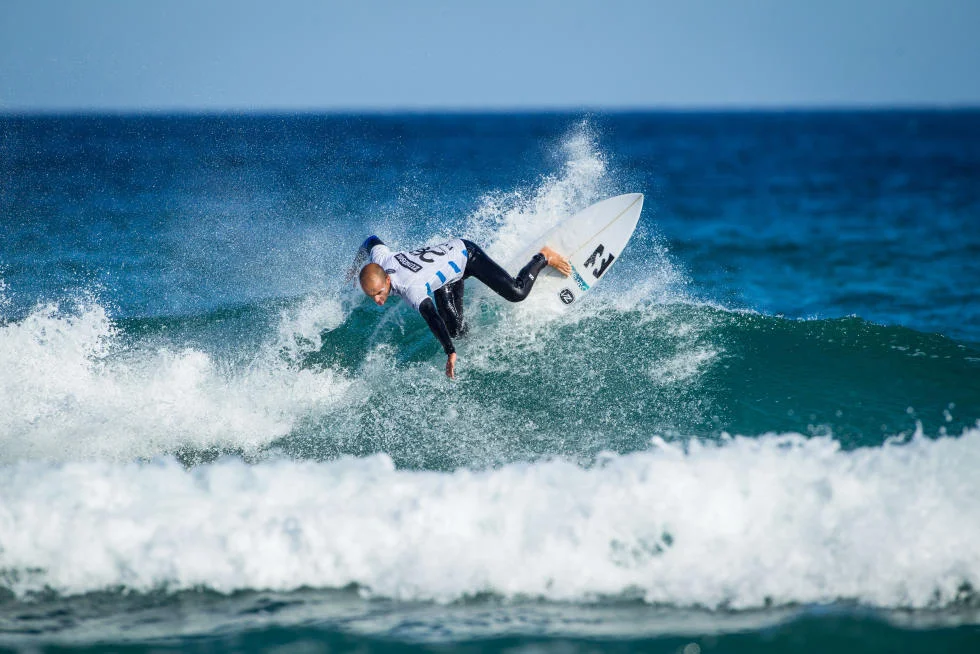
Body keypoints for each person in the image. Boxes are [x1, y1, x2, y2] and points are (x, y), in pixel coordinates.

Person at [353, 235, 571, 378]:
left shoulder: (411, 287)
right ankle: (475, 323)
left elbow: (431, 316)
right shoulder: (383, 260)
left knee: (516, 292)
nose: (378, 300)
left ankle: (543, 256)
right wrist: (355, 267)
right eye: (372, 296)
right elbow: (371, 241)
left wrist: (450, 352)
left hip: (467, 255)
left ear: (388, 281)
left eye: (379, 293)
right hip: (446, 274)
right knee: (456, 330)